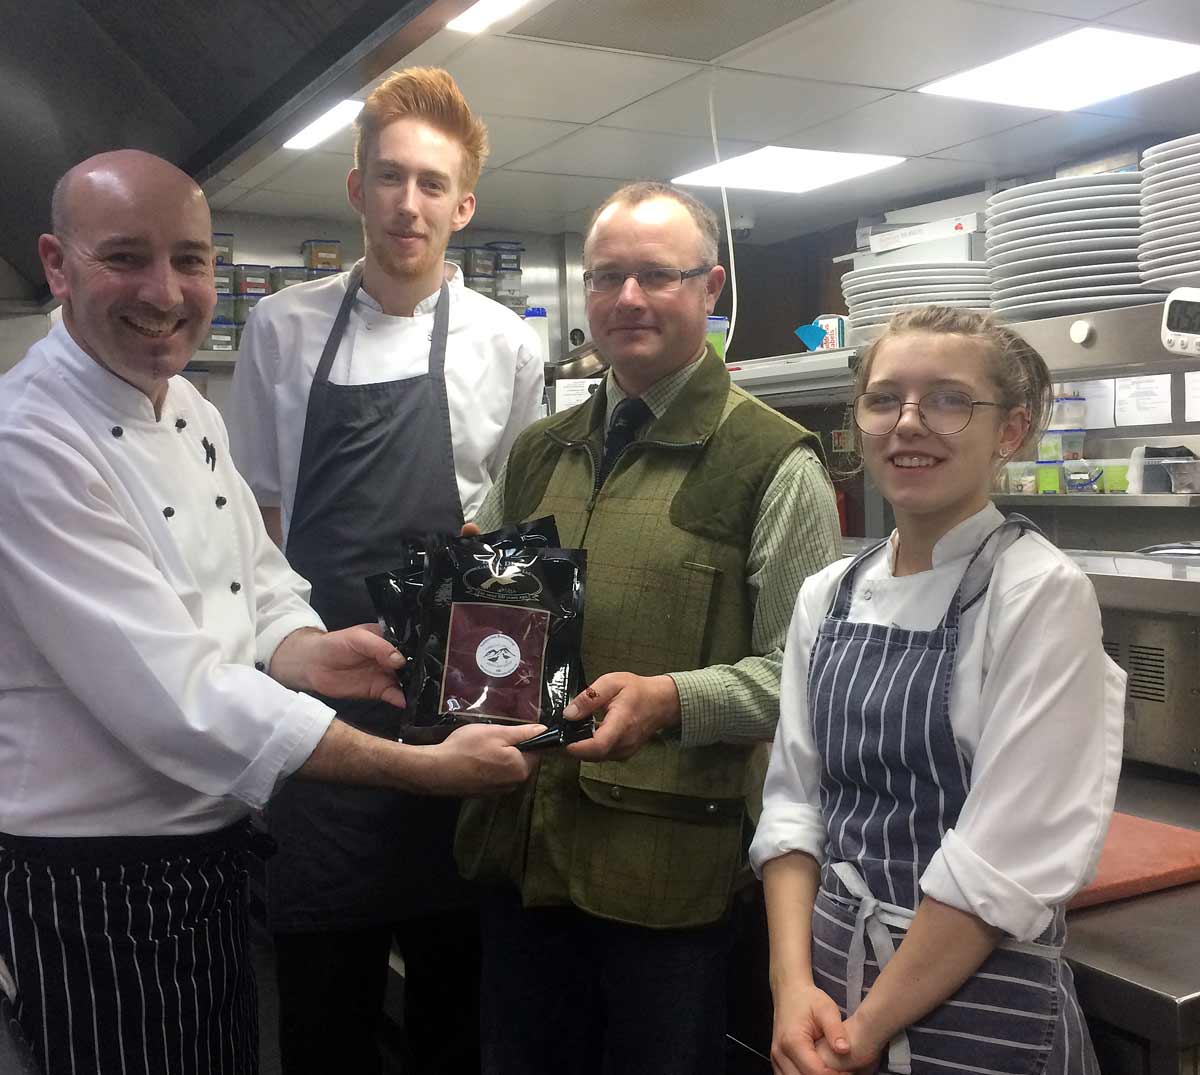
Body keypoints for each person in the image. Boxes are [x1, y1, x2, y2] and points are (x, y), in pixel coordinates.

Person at [0, 149, 540, 1075]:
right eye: (125, 257)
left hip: (209, 851)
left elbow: (258, 578)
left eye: (192, 260)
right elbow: (179, 697)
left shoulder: (188, 411)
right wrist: (411, 765)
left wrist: (308, 647)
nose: (165, 292)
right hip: (91, 874)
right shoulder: (28, 441)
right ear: (56, 264)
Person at [458, 180, 843, 1075]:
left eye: (656, 277)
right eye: (607, 277)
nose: (626, 298)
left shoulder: (773, 462)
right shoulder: (540, 450)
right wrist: (465, 599)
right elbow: (513, 636)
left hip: (667, 874)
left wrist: (674, 698)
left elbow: (804, 676)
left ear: (710, 290)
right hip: (524, 848)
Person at [225, 67, 544, 1073]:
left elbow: (517, 537)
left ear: (465, 204)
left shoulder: (504, 344)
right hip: (319, 704)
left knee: (458, 1011)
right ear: (357, 186)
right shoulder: (282, 329)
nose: (411, 203)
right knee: (324, 1010)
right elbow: (264, 520)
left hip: (455, 701)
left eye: (433, 184)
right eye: (391, 177)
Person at [752, 305, 1126, 1075]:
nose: (909, 423)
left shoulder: (1039, 593)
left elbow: (998, 864)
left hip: (975, 1013)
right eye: (884, 398)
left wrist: (859, 1036)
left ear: (1011, 431)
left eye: (949, 399)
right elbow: (793, 805)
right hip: (822, 997)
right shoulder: (829, 593)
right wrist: (790, 989)